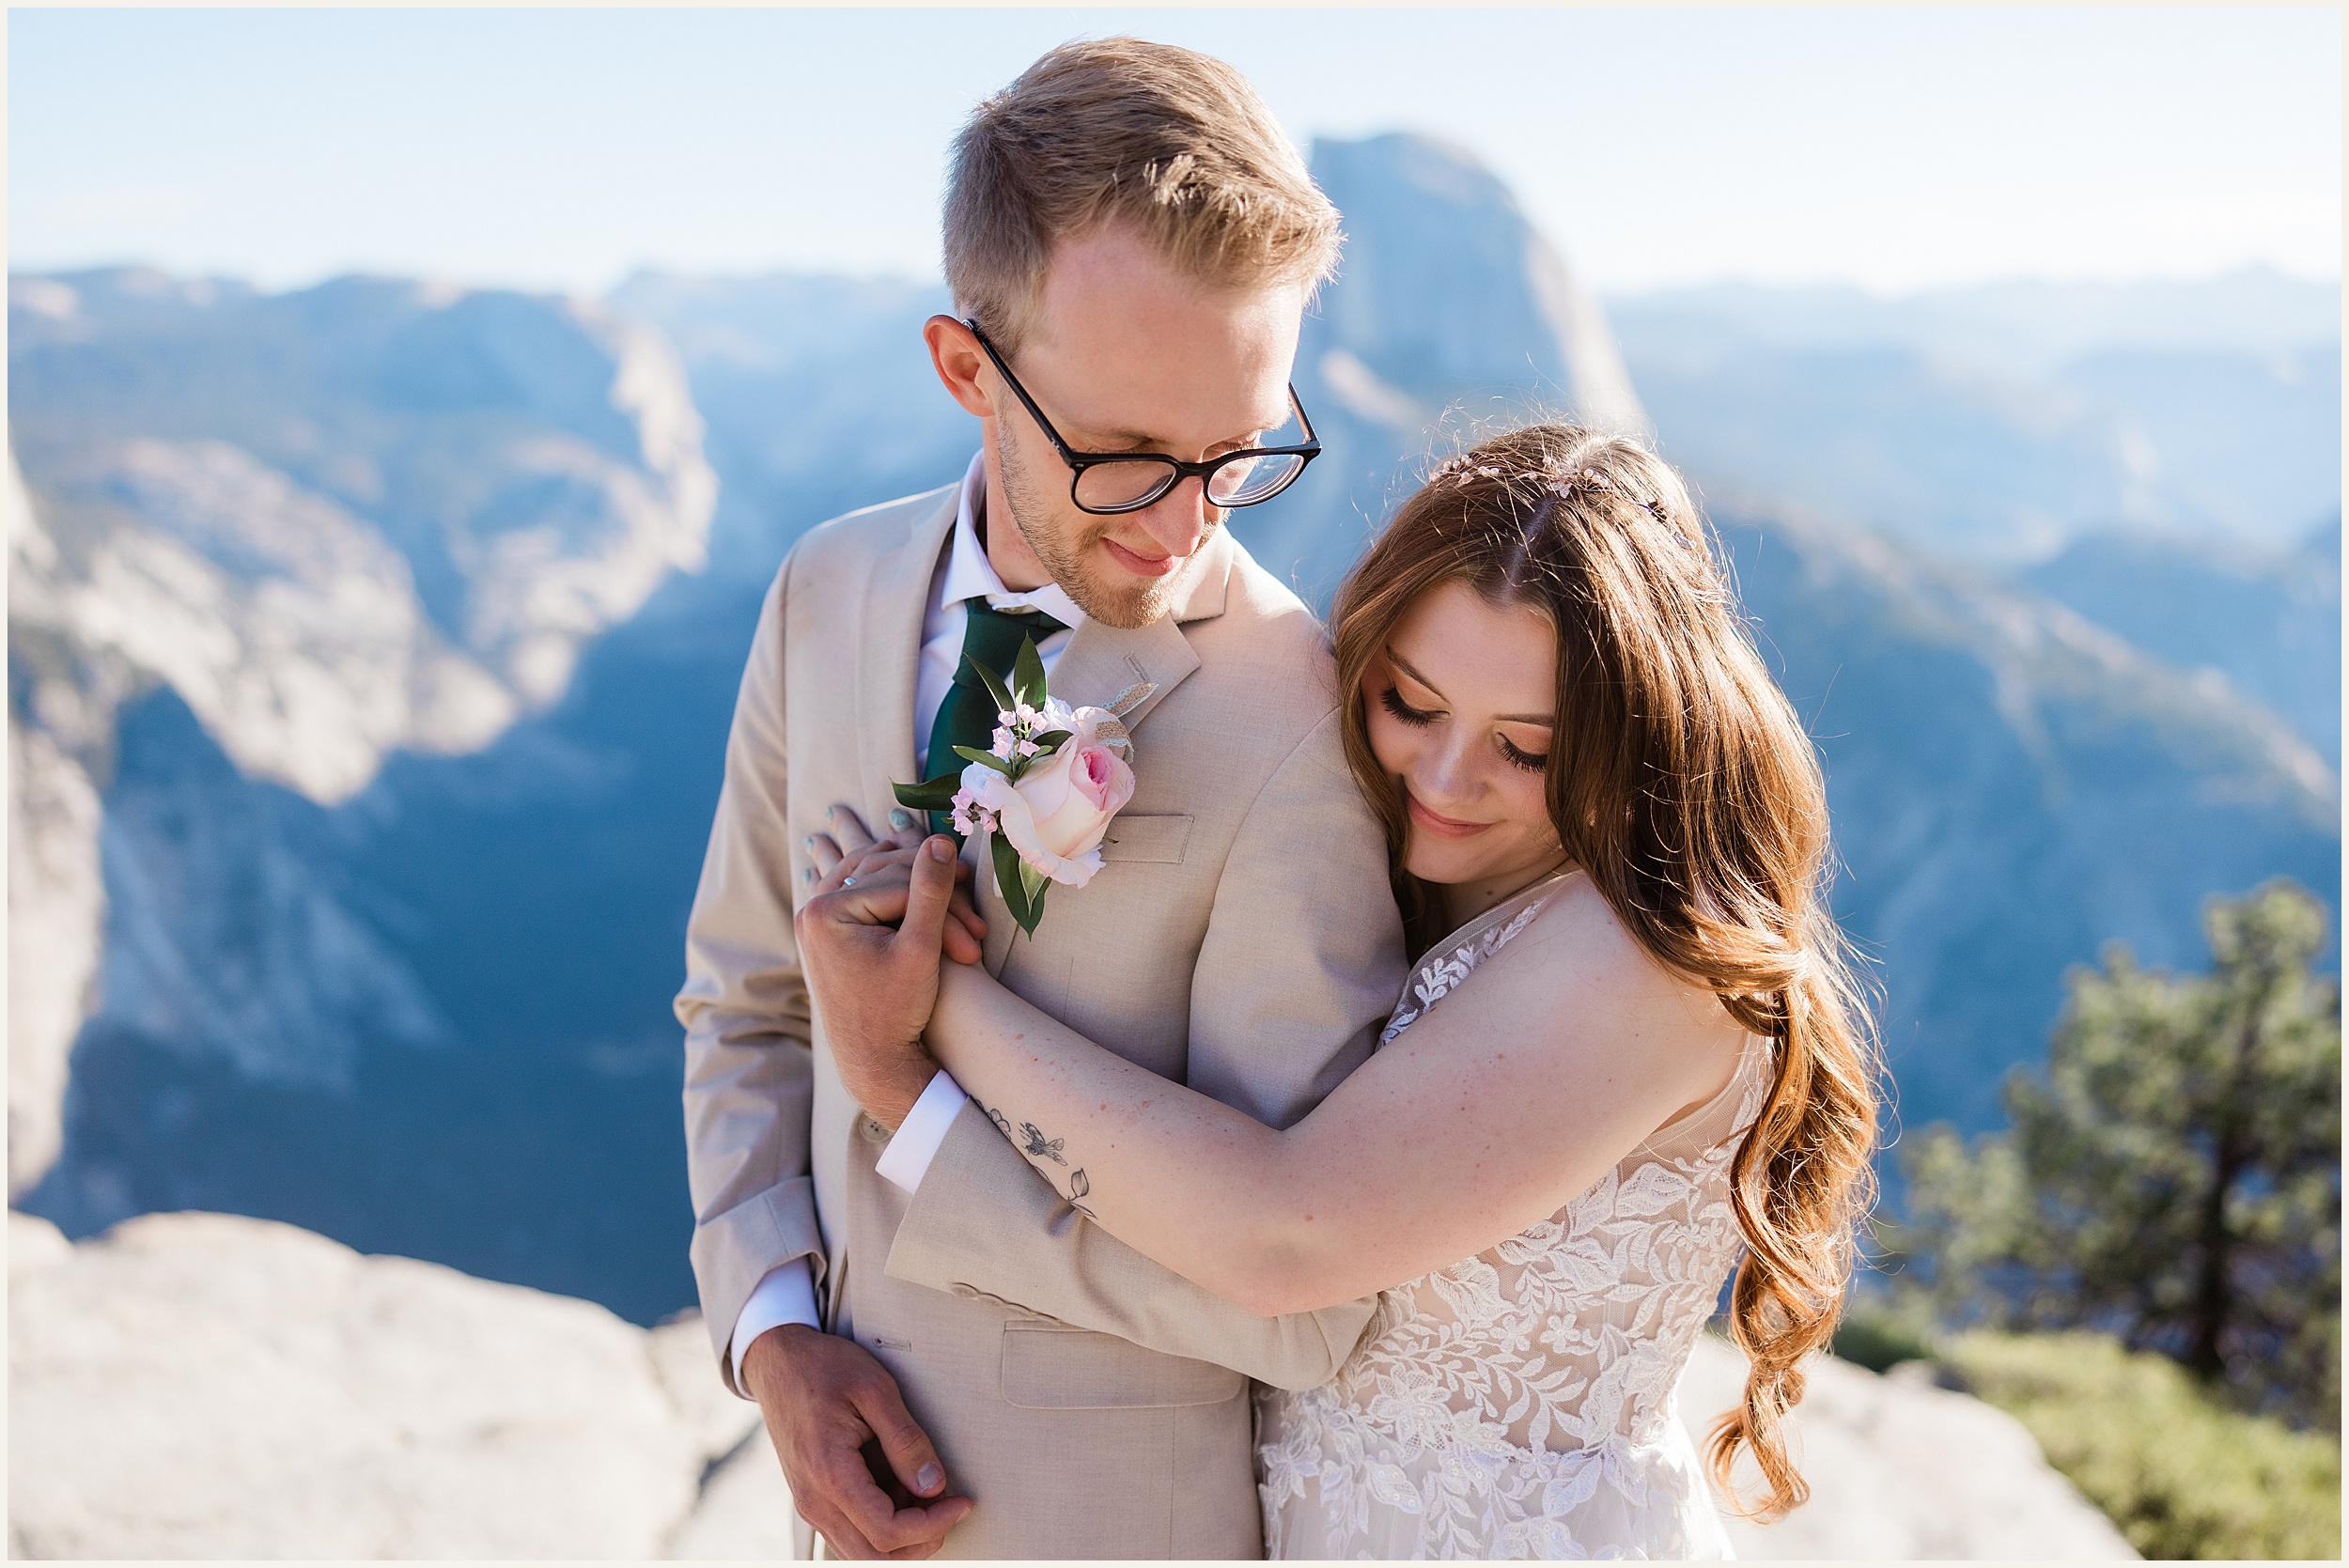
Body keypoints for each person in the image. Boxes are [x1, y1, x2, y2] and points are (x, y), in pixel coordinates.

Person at [801, 422, 1882, 1558]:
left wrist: (935, 1005)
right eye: (1409, 705)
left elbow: (1282, 1237)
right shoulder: (1424, 874)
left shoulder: (1645, 962)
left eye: (1526, 749)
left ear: (1637, 736)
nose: (1448, 779)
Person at [676, 37, 1409, 1560]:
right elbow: (746, 1002)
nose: (1190, 520)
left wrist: (918, 1108)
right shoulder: (825, 588)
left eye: (1241, 448)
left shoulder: (1298, 725)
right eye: (1130, 456)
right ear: (965, 368)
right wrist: (772, 1329)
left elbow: (1303, 1290)